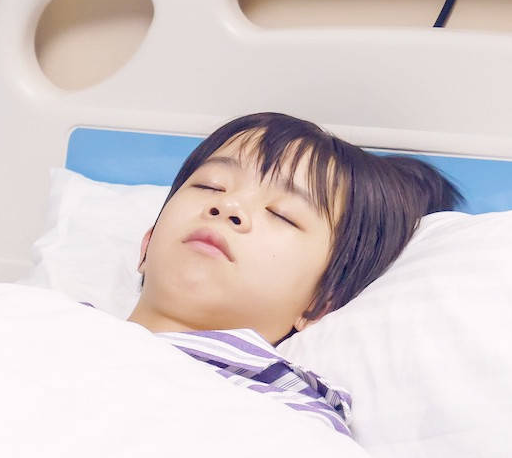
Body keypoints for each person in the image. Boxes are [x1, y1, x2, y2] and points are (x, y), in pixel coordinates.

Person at [126, 111, 460, 434]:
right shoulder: (90, 331)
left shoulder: (285, 415)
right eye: (211, 186)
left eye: (281, 214)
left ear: (320, 302)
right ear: (147, 243)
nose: (228, 206)